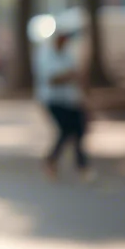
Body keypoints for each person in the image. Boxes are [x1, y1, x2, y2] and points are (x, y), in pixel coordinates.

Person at [35, 27, 93, 181]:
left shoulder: (68, 54)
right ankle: (51, 161)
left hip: (71, 99)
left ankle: (82, 166)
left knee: (80, 130)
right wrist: (69, 75)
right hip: (53, 100)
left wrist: (85, 98)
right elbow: (51, 80)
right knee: (66, 130)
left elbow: (78, 76)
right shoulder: (45, 54)